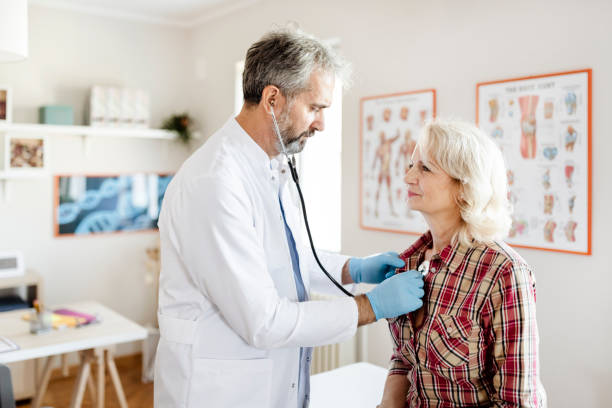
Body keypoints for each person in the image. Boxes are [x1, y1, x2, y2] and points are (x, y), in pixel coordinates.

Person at [154, 28, 425, 408]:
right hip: (218, 391)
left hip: (269, 384)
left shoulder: (271, 166)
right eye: (315, 108)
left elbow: (291, 260)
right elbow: (264, 320)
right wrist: (371, 307)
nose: (321, 124)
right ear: (272, 100)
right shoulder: (214, 183)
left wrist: (356, 268)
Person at [379, 119, 546, 407]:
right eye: (410, 165)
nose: (408, 177)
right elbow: (404, 359)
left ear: (465, 187)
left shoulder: (504, 273)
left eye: (425, 168)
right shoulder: (409, 263)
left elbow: (516, 402)